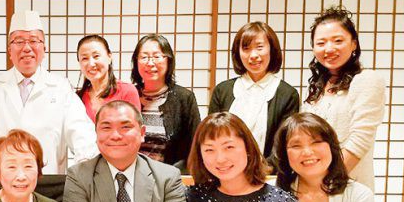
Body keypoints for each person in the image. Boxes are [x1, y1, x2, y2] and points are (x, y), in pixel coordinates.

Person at [0, 10, 97, 193]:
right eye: (19, 41)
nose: (27, 48)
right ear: (9, 50)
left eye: (34, 41)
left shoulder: (61, 88)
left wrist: (87, 165)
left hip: (46, 184)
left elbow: (81, 131)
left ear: (44, 49)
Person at [302, 6, 386, 192]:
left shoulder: (366, 80)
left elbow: (360, 139)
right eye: (321, 43)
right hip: (315, 186)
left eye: (338, 41)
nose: (329, 48)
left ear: (354, 43)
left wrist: (327, 182)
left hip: (348, 184)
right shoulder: (317, 89)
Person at [208, 21, 299, 160]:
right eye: (246, 48)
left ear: (272, 49)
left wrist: (263, 169)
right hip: (224, 168)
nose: (253, 55)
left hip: (268, 175)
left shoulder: (287, 94)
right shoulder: (222, 91)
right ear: (238, 53)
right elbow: (211, 136)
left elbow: (284, 144)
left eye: (260, 47)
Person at [131, 34, 200, 172]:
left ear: (168, 60)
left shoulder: (184, 98)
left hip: (170, 177)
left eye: (157, 56)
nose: (150, 63)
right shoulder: (129, 94)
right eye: (144, 57)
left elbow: (195, 144)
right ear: (136, 62)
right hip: (132, 176)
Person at [76, 35, 140, 122]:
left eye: (96, 56)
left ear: (109, 57)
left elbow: (134, 131)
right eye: (84, 58)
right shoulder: (78, 98)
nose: (91, 63)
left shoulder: (127, 91)